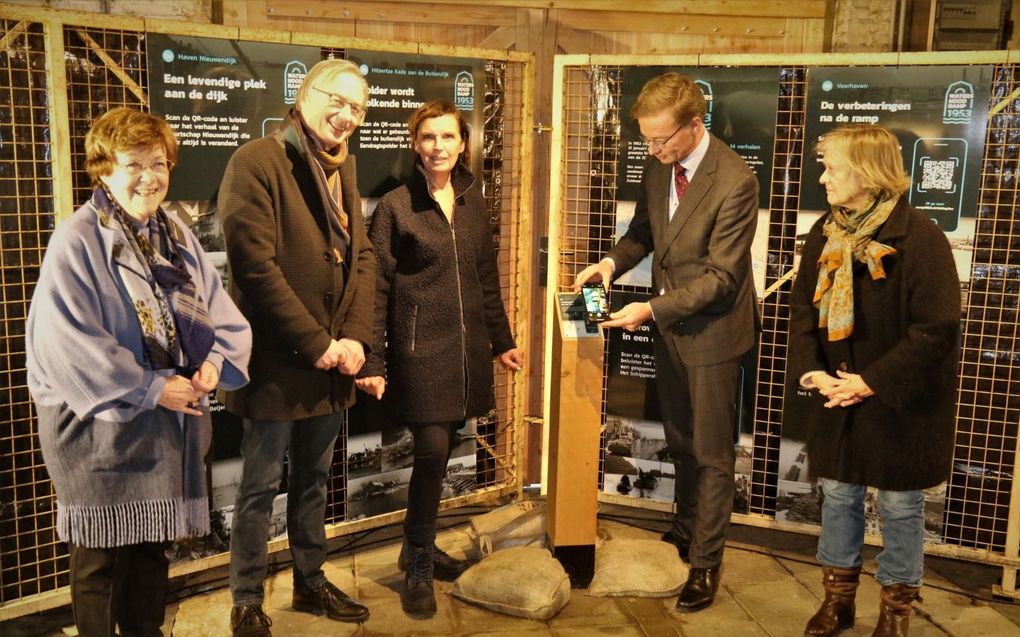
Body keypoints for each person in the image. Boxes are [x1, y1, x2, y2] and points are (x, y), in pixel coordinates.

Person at [25, 107, 252, 637]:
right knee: (100, 561)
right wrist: (153, 387)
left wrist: (213, 365)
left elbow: (221, 313)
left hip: (165, 428)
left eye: (160, 163)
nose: (149, 177)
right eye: (134, 163)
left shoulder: (172, 234)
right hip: (100, 433)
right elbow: (67, 344)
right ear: (103, 168)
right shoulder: (77, 239)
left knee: (151, 551)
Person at [574, 72, 759, 612]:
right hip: (670, 329)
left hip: (714, 332)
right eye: (646, 140)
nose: (652, 150)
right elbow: (643, 235)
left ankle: (705, 563)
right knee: (679, 439)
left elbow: (723, 278)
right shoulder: (660, 171)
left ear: (694, 125)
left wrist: (651, 308)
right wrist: (609, 264)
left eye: (662, 139)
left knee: (712, 452)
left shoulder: (735, 180)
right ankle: (684, 529)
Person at [218, 59, 375, 636]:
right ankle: (246, 599)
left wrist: (355, 337)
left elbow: (360, 256)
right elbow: (254, 270)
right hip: (277, 367)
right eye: (336, 100)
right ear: (304, 95)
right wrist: (319, 345)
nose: (346, 116)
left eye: (358, 108)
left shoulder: (343, 167)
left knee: (314, 480)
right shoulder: (255, 162)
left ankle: (311, 581)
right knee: (258, 488)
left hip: (332, 363)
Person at [789, 125, 960, 637]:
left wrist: (871, 381)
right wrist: (813, 371)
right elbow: (802, 312)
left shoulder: (920, 238)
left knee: (901, 504)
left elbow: (936, 328)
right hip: (838, 394)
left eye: (832, 167)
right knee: (838, 495)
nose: (822, 178)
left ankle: (895, 611)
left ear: (865, 173)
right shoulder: (826, 232)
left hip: (901, 400)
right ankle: (838, 602)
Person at [356, 100, 523, 619]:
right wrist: (373, 360)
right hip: (418, 352)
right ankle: (419, 564)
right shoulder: (395, 206)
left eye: (447, 137)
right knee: (431, 452)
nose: (438, 147)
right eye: (428, 137)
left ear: (462, 143)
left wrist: (503, 340)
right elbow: (376, 288)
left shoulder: (474, 199)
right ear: (415, 144)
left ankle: (415, 545)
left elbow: (485, 279)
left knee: (444, 447)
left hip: (467, 352)